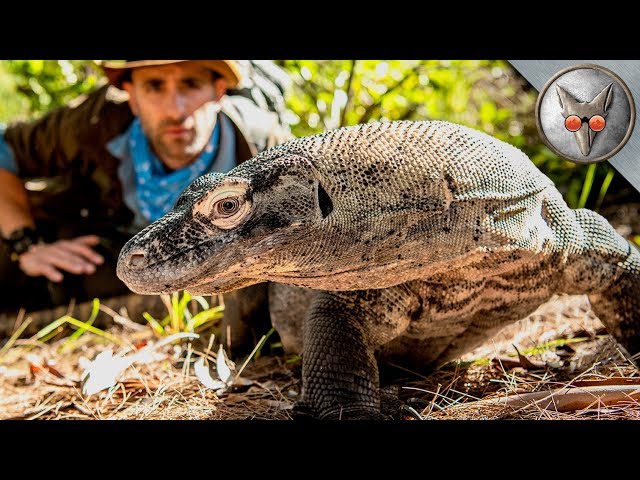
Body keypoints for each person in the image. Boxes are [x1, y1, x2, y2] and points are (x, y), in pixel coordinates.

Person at [0, 60, 292, 341]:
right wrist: (27, 245)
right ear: (132, 96)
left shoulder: (264, 146)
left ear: (218, 91)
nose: (175, 109)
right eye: (154, 86)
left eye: (191, 84)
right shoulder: (93, 120)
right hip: (113, 242)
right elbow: (5, 149)